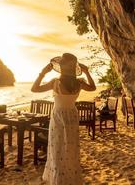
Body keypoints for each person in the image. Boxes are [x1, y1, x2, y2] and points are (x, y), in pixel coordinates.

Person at [31, 53, 96, 185]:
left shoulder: (56, 82)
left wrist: (43, 73)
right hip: (72, 115)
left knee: (58, 148)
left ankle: (59, 180)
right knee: (70, 148)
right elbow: (93, 87)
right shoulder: (79, 82)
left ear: (61, 67)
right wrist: (87, 72)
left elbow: (34, 89)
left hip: (59, 116)